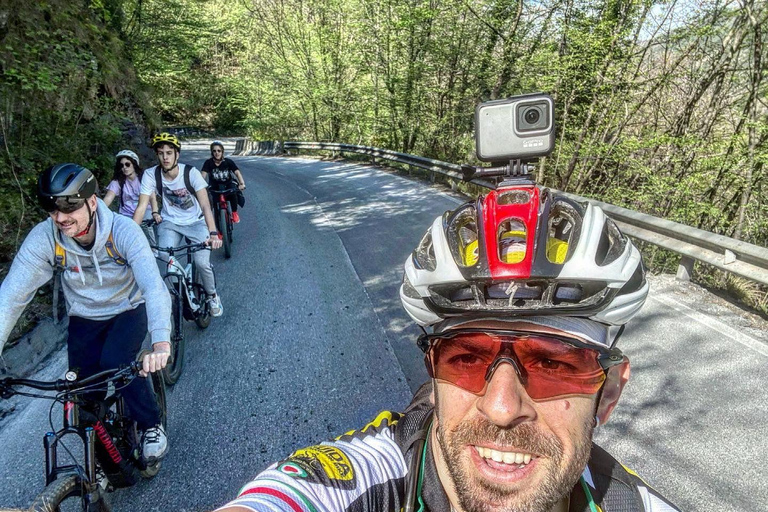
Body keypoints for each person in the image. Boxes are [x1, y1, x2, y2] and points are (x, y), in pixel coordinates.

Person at [216, 182, 680, 511]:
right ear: (433, 376)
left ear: (610, 394)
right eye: (467, 359)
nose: (501, 408)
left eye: (553, 363)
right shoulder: (374, 483)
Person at [0, 164, 172, 463]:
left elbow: (154, 287)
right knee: (81, 395)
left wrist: (160, 342)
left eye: (70, 207)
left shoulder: (124, 231)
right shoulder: (46, 238)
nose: (60, 218)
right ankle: (103, 457)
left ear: (92, 202)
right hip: (84, 316)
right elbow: (11, 297)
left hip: (128, 308)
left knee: (117, 364)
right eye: (52, 209)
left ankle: (151, 424)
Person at [132, 133, 224, 316]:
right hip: (170, 223)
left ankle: (213, 295)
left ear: (177, 155)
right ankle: (178, 290)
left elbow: (206, 205)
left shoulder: (191, 173)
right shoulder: (151, 175)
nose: (165, 157)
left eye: (169, 152)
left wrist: (213, 233)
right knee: (165, 257)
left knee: (201, 262)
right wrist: (130, 235)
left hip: (196, 222)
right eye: (160, 153)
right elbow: (142, 206)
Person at [103, 149, 158, 247]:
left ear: (134, 164)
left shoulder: (144, 179)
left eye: (127, 164)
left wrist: (155, 212)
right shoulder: (118, 182)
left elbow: (152, 198)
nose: (124, 168)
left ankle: (153, 249)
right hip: (126, 213)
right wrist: (99, 211)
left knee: (145, 225)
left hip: (145, 211)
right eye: (121, 165)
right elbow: (108, 199)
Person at [201, 140, 246, 224]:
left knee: (233, 191)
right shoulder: (208, 163)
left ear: (222, 152)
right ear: (212, 152)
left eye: (219, 151)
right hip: (214, 186)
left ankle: (234, 213)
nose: (216, 153)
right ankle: (217, 228)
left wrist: (242, 183)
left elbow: (237, 172)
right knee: (212, 202)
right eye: (214, 151)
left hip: (228, 184)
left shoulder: (228, 162)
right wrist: (200, 187)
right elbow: (203, 175)